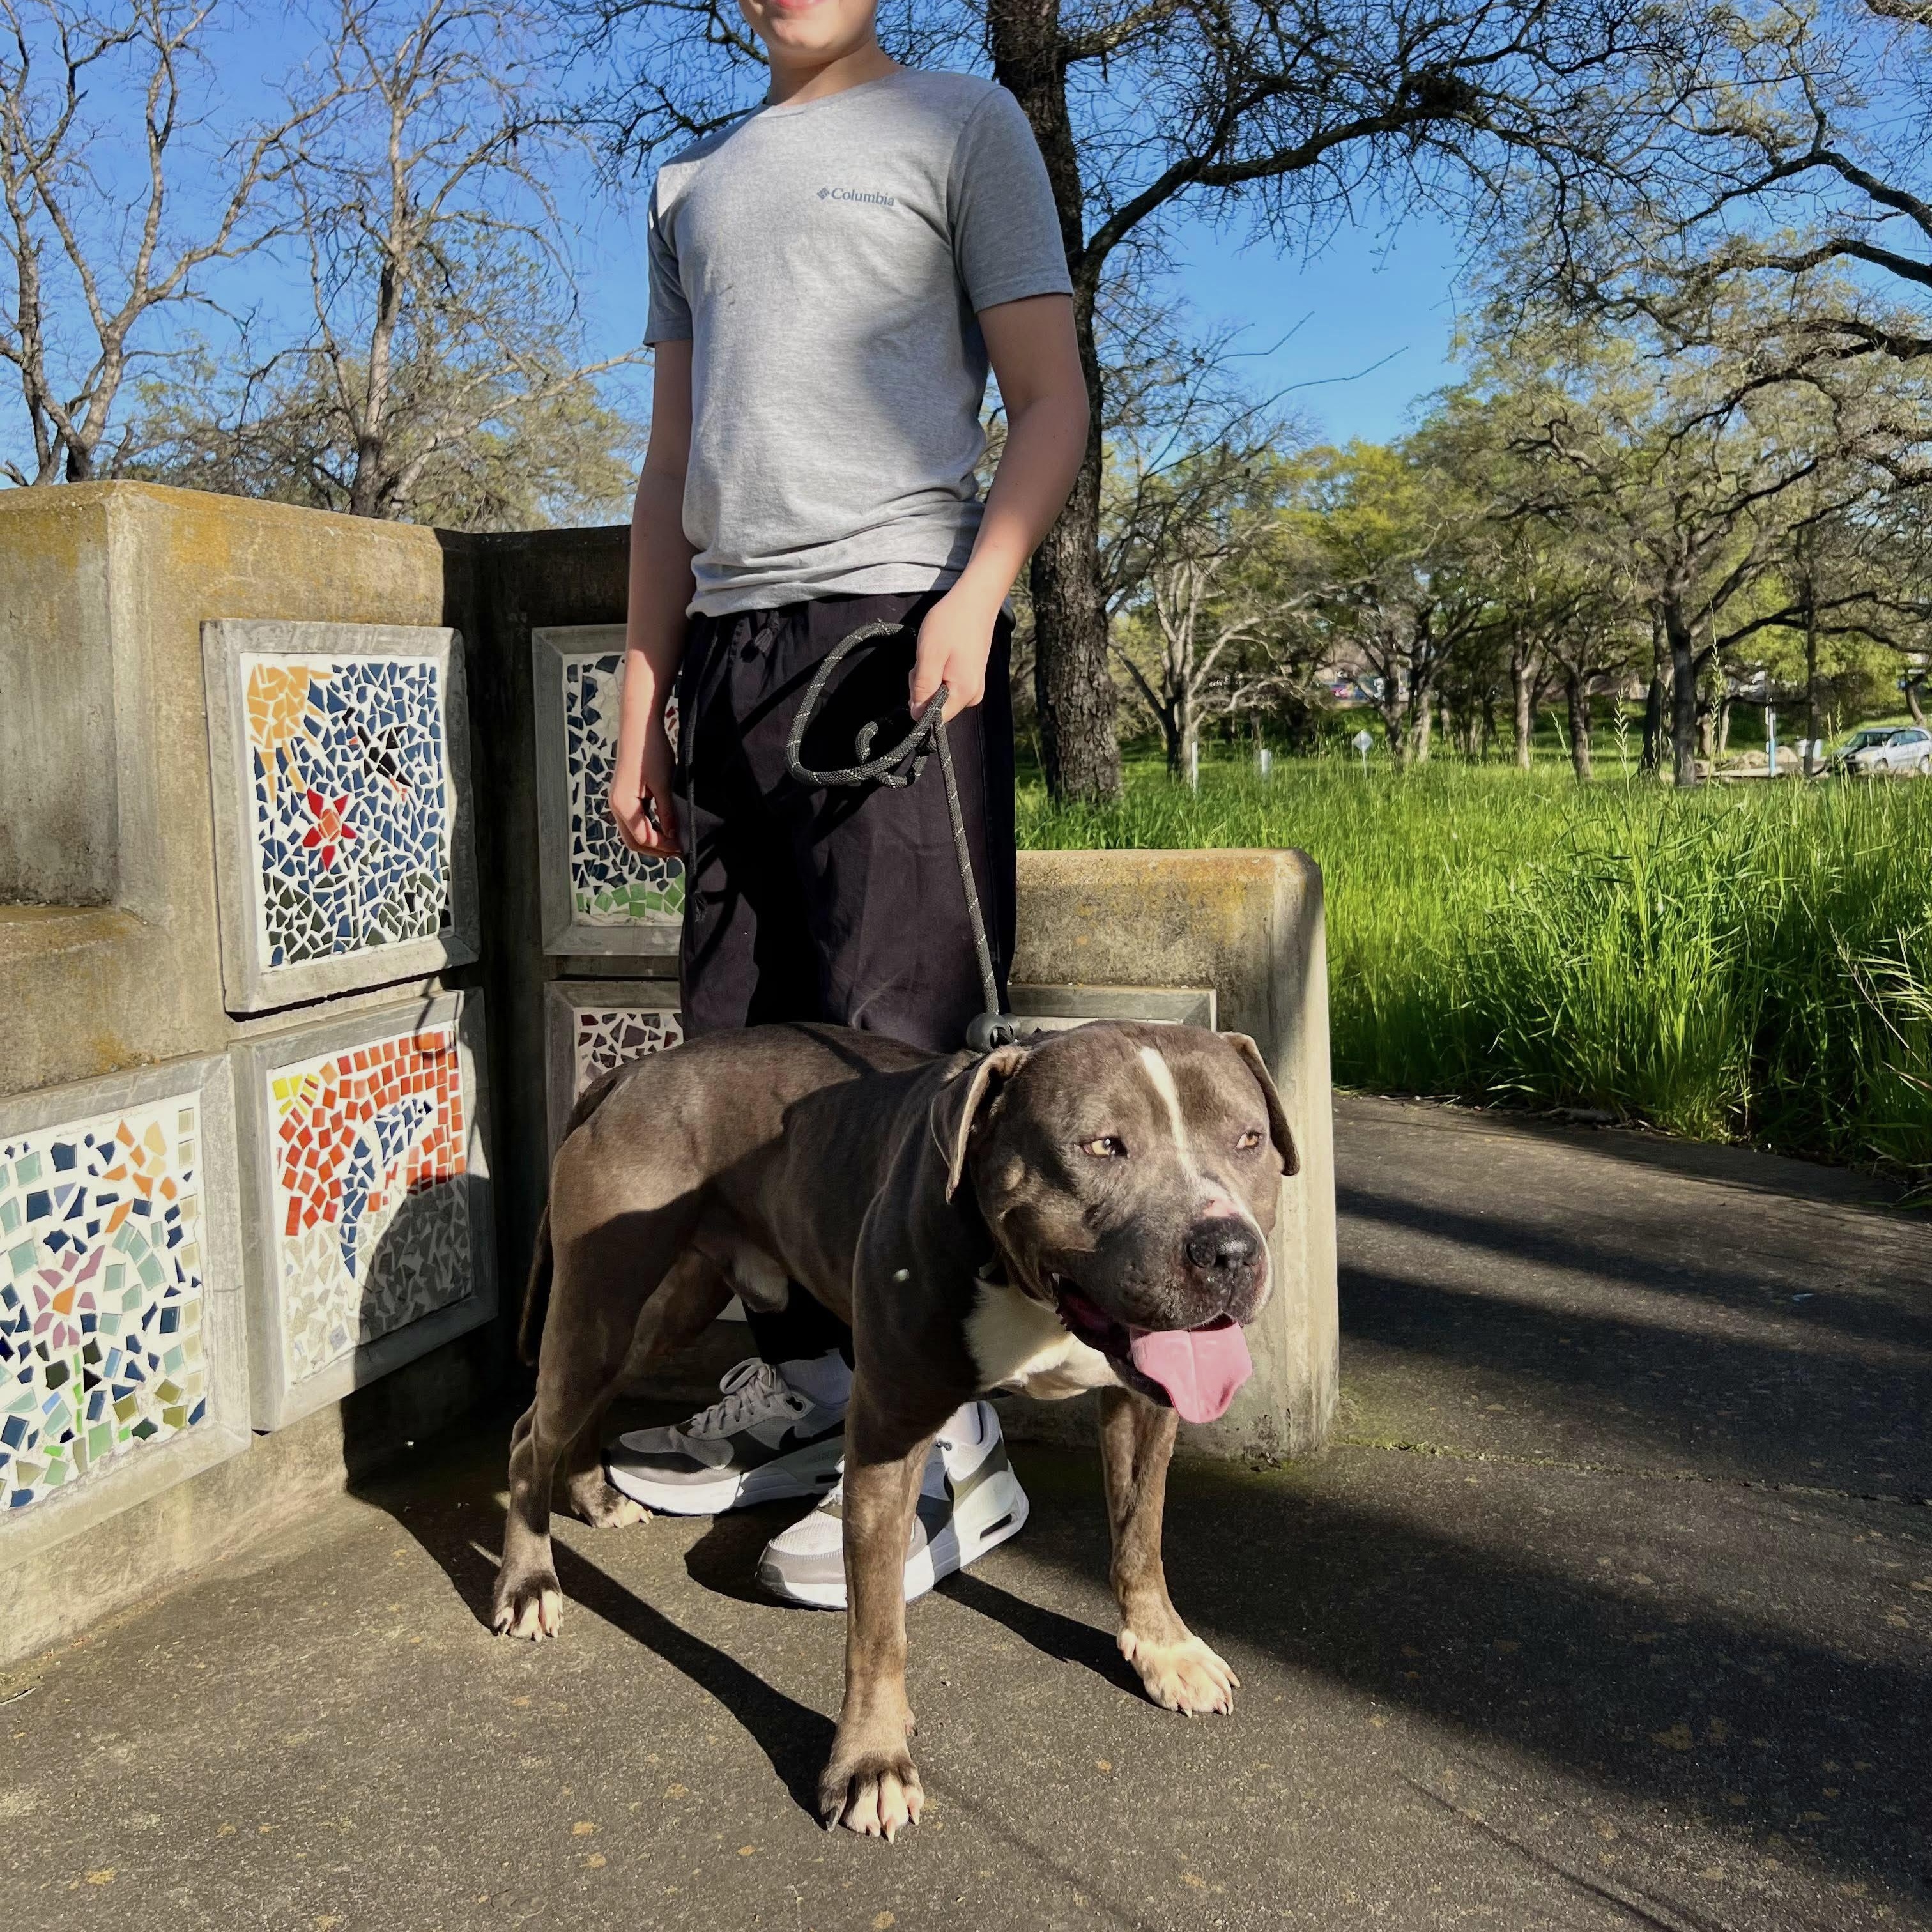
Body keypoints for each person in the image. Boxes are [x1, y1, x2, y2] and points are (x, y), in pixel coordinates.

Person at [597, 0, 1089, 1607]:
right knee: (744, 1055)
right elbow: (670, 469)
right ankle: (823, 1393)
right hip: (731, 655)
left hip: (896, 627)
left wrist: (979, 598)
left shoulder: (963, 126)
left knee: (896, 1041)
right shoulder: (690, 184)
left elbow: (1050, 399)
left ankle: (956, 1451)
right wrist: (645, 703)